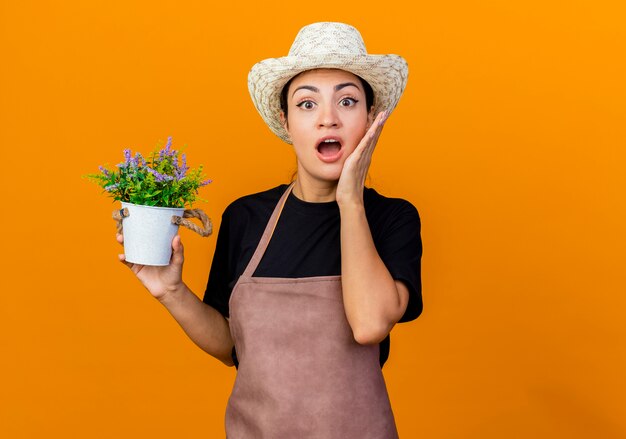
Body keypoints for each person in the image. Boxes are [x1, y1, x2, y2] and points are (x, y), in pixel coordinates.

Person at [117, 22, 422, 438]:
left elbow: (369, 324)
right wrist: (170, 290)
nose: (328, 119)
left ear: (370, 118)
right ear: (286, 120)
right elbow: (233, 348)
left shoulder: (393, 219)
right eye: (307, 104)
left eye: (348, 102)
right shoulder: (246, 217)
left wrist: (350, 198)